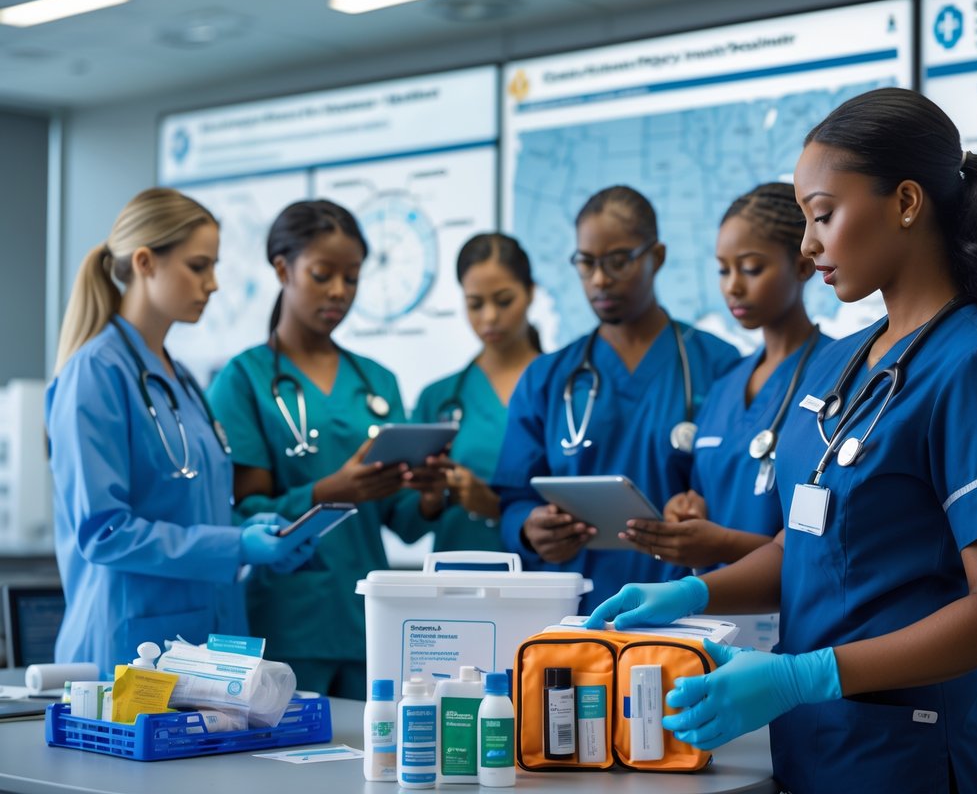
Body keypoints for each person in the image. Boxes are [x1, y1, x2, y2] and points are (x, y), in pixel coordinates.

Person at [587, 88, 977, 793]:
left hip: (907, 758)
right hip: (812, 752)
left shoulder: (975, 368)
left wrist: (808, 674)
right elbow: (805, 546)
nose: (808, 246)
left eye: (822, 216)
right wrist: (688, 595)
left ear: (904, 202)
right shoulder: (843, 363)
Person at [47, 188, 315, 675]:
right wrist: (233, 547)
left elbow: (188, 506)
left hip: (202, 639)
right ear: (146, 262)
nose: (212, 284)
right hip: (128, 649)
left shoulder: (180, 378)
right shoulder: (96, 372)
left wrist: (246, 534)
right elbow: (104, 533)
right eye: (198, 266)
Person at [207, 200, 424, 699]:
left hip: (368, 620)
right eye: (323, 274)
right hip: (286, 622)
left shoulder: (378, 381)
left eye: (351, 278)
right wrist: (328, 491)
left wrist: (428, 493)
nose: (339, 292)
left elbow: (404, 522)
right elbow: (245, 515)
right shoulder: (244, 380)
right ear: (283, 268)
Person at [492, 185, 740, 612]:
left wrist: (703, 507)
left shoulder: (718, 365)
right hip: (573, 617)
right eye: (586, 264)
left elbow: (739, 493)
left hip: (682, 611)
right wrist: (529, 528)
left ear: (656, 257)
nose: (600, 280)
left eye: (618, 261)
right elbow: (513, 499)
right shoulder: (548, 378)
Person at [619, 183, 832, 571]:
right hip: (712, 615)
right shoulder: (725, 384)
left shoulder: (840, 373)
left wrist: (723, 546)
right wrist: (688, 509)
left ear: (803, 265)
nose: (732, 286)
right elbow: (706, 492)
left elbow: (829, 536)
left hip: (793, 617)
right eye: (723, 269)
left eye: (751, 268)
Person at [398, 233, 542, 552]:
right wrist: (433, 499)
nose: (489, 317)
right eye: (475, 304)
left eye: (504, 301)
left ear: (530, 293)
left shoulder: (565, 390)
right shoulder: (437, 399)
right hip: (455, 581)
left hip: (545, 583)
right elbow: (404, 523)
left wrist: (493, 505)